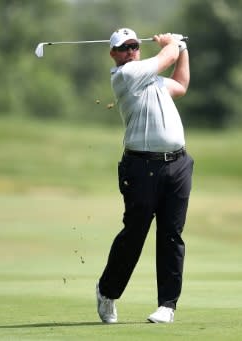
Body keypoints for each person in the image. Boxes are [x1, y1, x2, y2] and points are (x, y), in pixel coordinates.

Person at [96, 28, 193, 324]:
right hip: (141, 167)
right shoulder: (126, 75)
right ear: (113, 54)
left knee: (171, 235)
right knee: (135, 234)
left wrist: (183, 50)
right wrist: (173, 44)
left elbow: (180, 83)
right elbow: (166, 57)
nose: (130, 51)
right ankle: (107, 292)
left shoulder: (151, 79)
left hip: (177, 165)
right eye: (123, 48)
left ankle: (167, 305)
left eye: (134, 46)